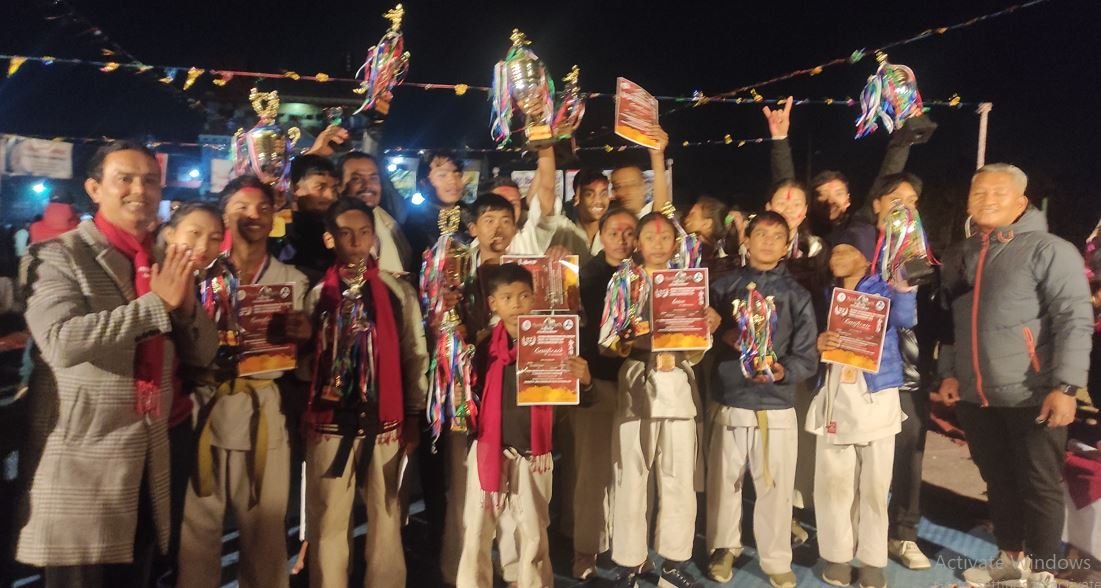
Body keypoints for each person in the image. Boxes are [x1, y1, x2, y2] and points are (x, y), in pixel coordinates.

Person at [16, 140, 217, 587]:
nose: (139, 190)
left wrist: (186, 309)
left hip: (152, 455)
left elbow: (203, 354)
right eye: (124, 179)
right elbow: (60, 341)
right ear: (94, 189)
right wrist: (156, 306)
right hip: (85, 464)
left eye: (150, 180)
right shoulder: (57, 255)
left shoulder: (163, 260)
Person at [937, 164, 1092, 587]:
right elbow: (954, 323)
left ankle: (1043, 571)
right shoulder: (960, 255)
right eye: (979, 192)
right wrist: (949, 373)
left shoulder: (1049, 249)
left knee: (1040, 486)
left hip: (1033, 393)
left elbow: (1074, 320)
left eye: (998, 192)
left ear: (1021, 202)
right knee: (999, 482)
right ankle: (1010, 560)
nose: (987, 199)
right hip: (976, 395)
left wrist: (1066, 386)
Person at [177, 177, 312, 588]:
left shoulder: (292, 279)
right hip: (205, 407)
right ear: (224, 214)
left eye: (263, 208)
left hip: (262, 413)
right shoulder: (198, 274)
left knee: (265, 533)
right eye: (242, 207)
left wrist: (306, 336)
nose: (254, 215)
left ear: (274, 217)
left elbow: (305, 361)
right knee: (196, 535)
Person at [301, 196, 428, 588]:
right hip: (329, 426)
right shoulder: (316, 294)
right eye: (345, 233)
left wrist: (413, 414)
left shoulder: (396, 291)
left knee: (388, 519)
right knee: (328, 524)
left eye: (364, 232)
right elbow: (305, 367)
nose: (356, 242)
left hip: (385, 423)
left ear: (374, 236)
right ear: (329, 239)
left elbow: (414, 354)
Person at [456, 263, 592, 587]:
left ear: (535, 297)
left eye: (524, 296)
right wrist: (460, 394)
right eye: (507, 298)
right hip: (489, 448)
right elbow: (469, 402)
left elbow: (579, 399)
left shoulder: (555, 342)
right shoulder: (483, 349)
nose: (517, 304)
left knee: (534, 531)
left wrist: (584, 380)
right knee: (476, 529)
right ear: (493, 303)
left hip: (534, 453)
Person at [604, 212, 722, 587]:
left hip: (678, 385)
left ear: (675, 243)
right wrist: (625, 338)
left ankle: (673, 562)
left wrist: (708, 324)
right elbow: (607, 342)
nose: (658, 244)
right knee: (631, 477)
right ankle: (630, 562)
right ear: (637, 243)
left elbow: (697, 347)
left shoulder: (688, 282)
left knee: (679, 479)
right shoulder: (624, 281)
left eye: (665, 237)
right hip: (636, 385)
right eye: (650, 238)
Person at [706, 211, 819, 588]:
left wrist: (783, 371)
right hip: (731, 399)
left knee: (776, 486)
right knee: (725, 481)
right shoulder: (722, 288)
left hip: (776, 403)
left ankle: (775, 557)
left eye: (777, 236)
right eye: (761, 234)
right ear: (746, 240)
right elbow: (700, 337)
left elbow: (807, 355)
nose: (768, 242)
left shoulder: (797, 295)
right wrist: (719, 332)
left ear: (787, 246)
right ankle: (724, 547)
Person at [809, 223, 916, 588]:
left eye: (847, 250)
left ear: (868, 257)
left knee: (874, 485)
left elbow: (906, 319)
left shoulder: (886, 289)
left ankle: (872, 559)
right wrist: (819, 342)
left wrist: (904, 288)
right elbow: (810, 338)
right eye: (835, 250)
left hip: (876, 394)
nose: (837, 256)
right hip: (835, 393)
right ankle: (837, 556)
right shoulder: (825, 294)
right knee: (833, 483)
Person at [861, 172, 938, 569]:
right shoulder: (858, 246)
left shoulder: (923, 254)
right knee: (860, 454)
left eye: (911, 200)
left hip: (908, 370)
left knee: (908, 450)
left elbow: (937, 316)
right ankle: (858, 532)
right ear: (877, 204)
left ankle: (903, 533)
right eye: (895, 198)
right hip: (861, 370)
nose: (903, 206)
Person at [155, 201, 226, 584]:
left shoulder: (204, 282)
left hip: (178, 419)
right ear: (169, 234)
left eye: (214, 238)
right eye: (194, 234)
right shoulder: (151, 273)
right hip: (150, 418)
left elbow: (203, 350)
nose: (204, 246)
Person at [573, 208, 638, 580]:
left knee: (632, 473)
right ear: (601, 235)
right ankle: (586, 548)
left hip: (636, 385)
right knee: (591, 473)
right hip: (594, 383)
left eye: (629, 232)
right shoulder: (582, 276)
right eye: (614, 232)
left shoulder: (645, 276)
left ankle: (631, 547)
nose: (622, 239)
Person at [338, 151, 414, 275]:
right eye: (356, 179)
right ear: (339, 186)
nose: (367, 185)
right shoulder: (333, 227)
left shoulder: (388, 222)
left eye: (373, 178)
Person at [279, 154, 340, 281]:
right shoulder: (281, 230)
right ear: (294, 189)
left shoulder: (336, 227)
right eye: (320, 187)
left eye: (333, 189)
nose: (330, 196)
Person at [609, 126, 671, 217]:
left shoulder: (654, 218)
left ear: (644, 187)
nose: (626, 191)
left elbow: (662, 207)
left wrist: (657, 155)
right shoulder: (608, 221)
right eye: (619, 186)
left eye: (632, 184)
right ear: (613, 192)